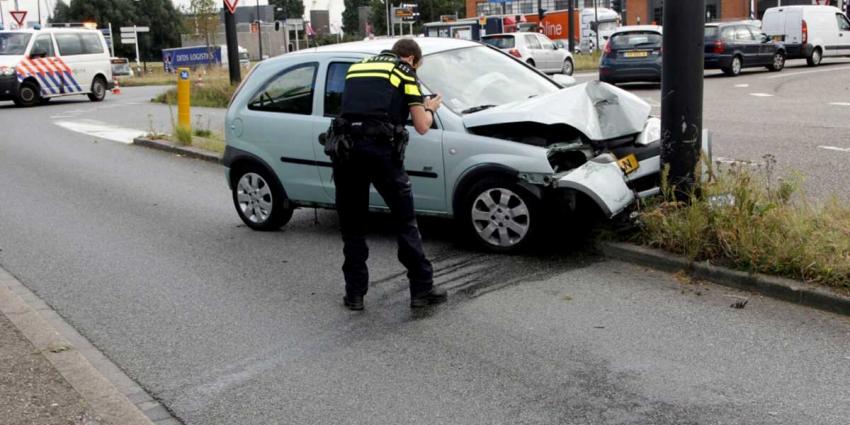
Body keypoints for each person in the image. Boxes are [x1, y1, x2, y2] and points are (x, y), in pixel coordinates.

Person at [334, 39, 446, 311]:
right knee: (405, 222)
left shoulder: (356, 68)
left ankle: (355, 295)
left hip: (346, 152)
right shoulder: (404, 72)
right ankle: (421, 291)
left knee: (353, 226)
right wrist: (430, 108)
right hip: (381, 155)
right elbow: (421, 126)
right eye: (417, 65)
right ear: (410, 58)